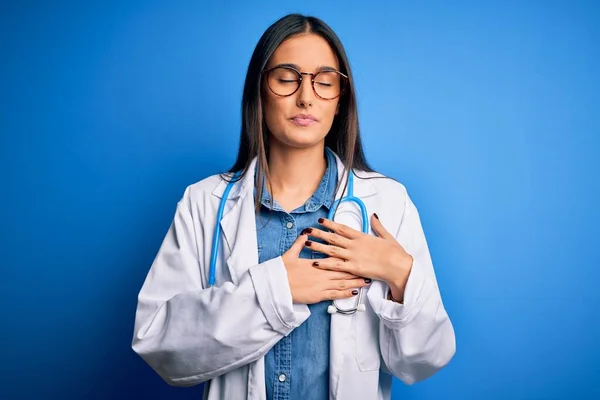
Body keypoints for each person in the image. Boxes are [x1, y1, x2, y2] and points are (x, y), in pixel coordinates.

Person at [131, 13, 455, 400]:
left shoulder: (387, 202)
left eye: (324, 82)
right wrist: (276, 291)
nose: (306, 97)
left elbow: (425, 360)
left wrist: (400, 274)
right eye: (286, 78)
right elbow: (158, 346)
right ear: (259, 91)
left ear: (340, 101)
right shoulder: (205, 202)